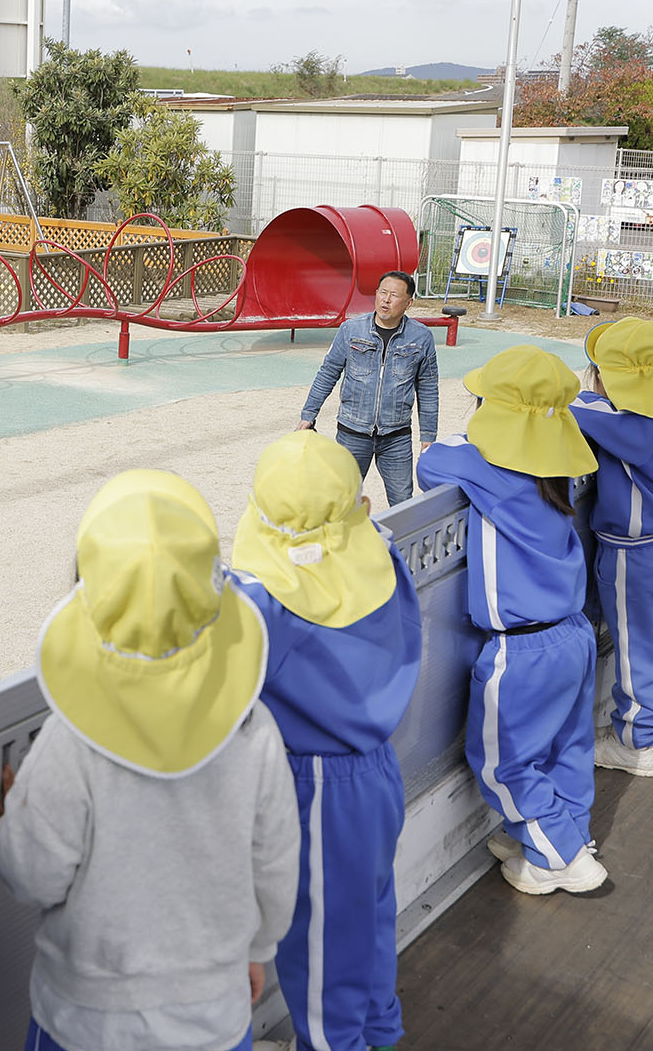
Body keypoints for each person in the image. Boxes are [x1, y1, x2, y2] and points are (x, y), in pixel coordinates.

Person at [0, 469, 299, 1051]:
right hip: (214, 1014)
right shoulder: (253, 732)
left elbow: (30, 876)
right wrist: (258, 951)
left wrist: (14, 822)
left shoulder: (71, 741)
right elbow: (277, 864)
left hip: (84, 1020)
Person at [229, 432, 421, 1051]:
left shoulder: (268, 609)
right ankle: (377, 1033)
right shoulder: (381, 565)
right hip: (375, 771)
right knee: (368, 921)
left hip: (314, 789)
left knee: (319, 949)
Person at [416, 346, 606, 896]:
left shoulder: (489, 469)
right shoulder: (560, 468)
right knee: (567, 748)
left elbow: (431, 460)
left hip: (521, 649)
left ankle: (559, 857)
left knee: (502, 761)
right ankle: (568, 834)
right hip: (572, 635)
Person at [573, 319, 653, 776]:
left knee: (637, 649)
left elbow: (567, 403)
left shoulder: (630, 424)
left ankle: (635, 743)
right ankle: (652, 723)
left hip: (632, 553)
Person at [297, 271, 440, 505]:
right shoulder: (351, 330)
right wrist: (308, 415)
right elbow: (328, 373)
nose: (386, 300)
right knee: (341, 500)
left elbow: (427, 388)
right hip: (352, 433)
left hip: (397, 437)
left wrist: (428, 436)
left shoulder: (421, 337)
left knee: (403, 502)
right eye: (382, 293)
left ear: (409, 302)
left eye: (394, 295)